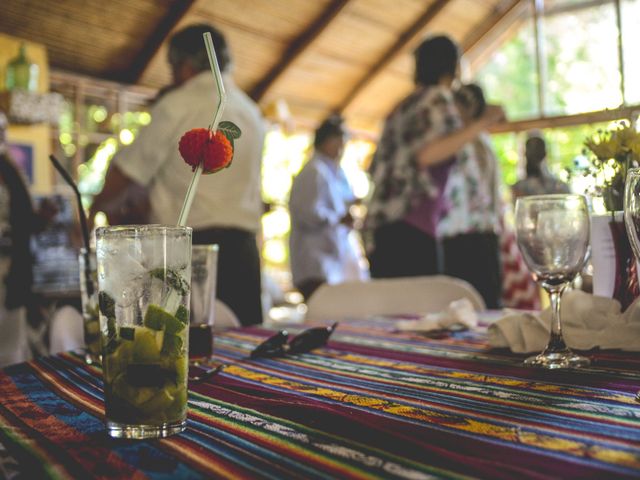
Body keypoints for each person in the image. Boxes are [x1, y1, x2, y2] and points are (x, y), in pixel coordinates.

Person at [91, 24, 266, 326]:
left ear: (183, 67)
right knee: (246, 349)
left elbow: (126, 171)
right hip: (244, 253)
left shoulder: (176, 104)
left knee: (183, 346)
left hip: (189, 250)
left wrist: (91, 210)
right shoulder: (252, 112)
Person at [365, 35, 504, 278]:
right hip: (411, 223)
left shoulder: (402, 106)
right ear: (454, 65)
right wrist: (481, 123)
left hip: (381, 224)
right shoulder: (438, 98)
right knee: (419, 312)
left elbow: (375, 166)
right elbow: (427, 155)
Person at [438, 83, 505, 308]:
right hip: (459, 232)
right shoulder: (458, 139)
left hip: (477, 232)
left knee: (483, 300)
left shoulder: (477, 140)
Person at [288, 116, 367, 300]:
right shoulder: (314, 171)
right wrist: (338, 218)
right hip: (315, 262)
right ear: (325, 141)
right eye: (337, 141)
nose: (342, 146)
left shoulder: (336, 172)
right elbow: (309, 213)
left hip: (332, 259)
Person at [512, 134, 570, 199]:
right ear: (545, 154)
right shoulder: (560, 186)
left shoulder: (559, 185)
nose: (534, 156)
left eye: (537, 151)